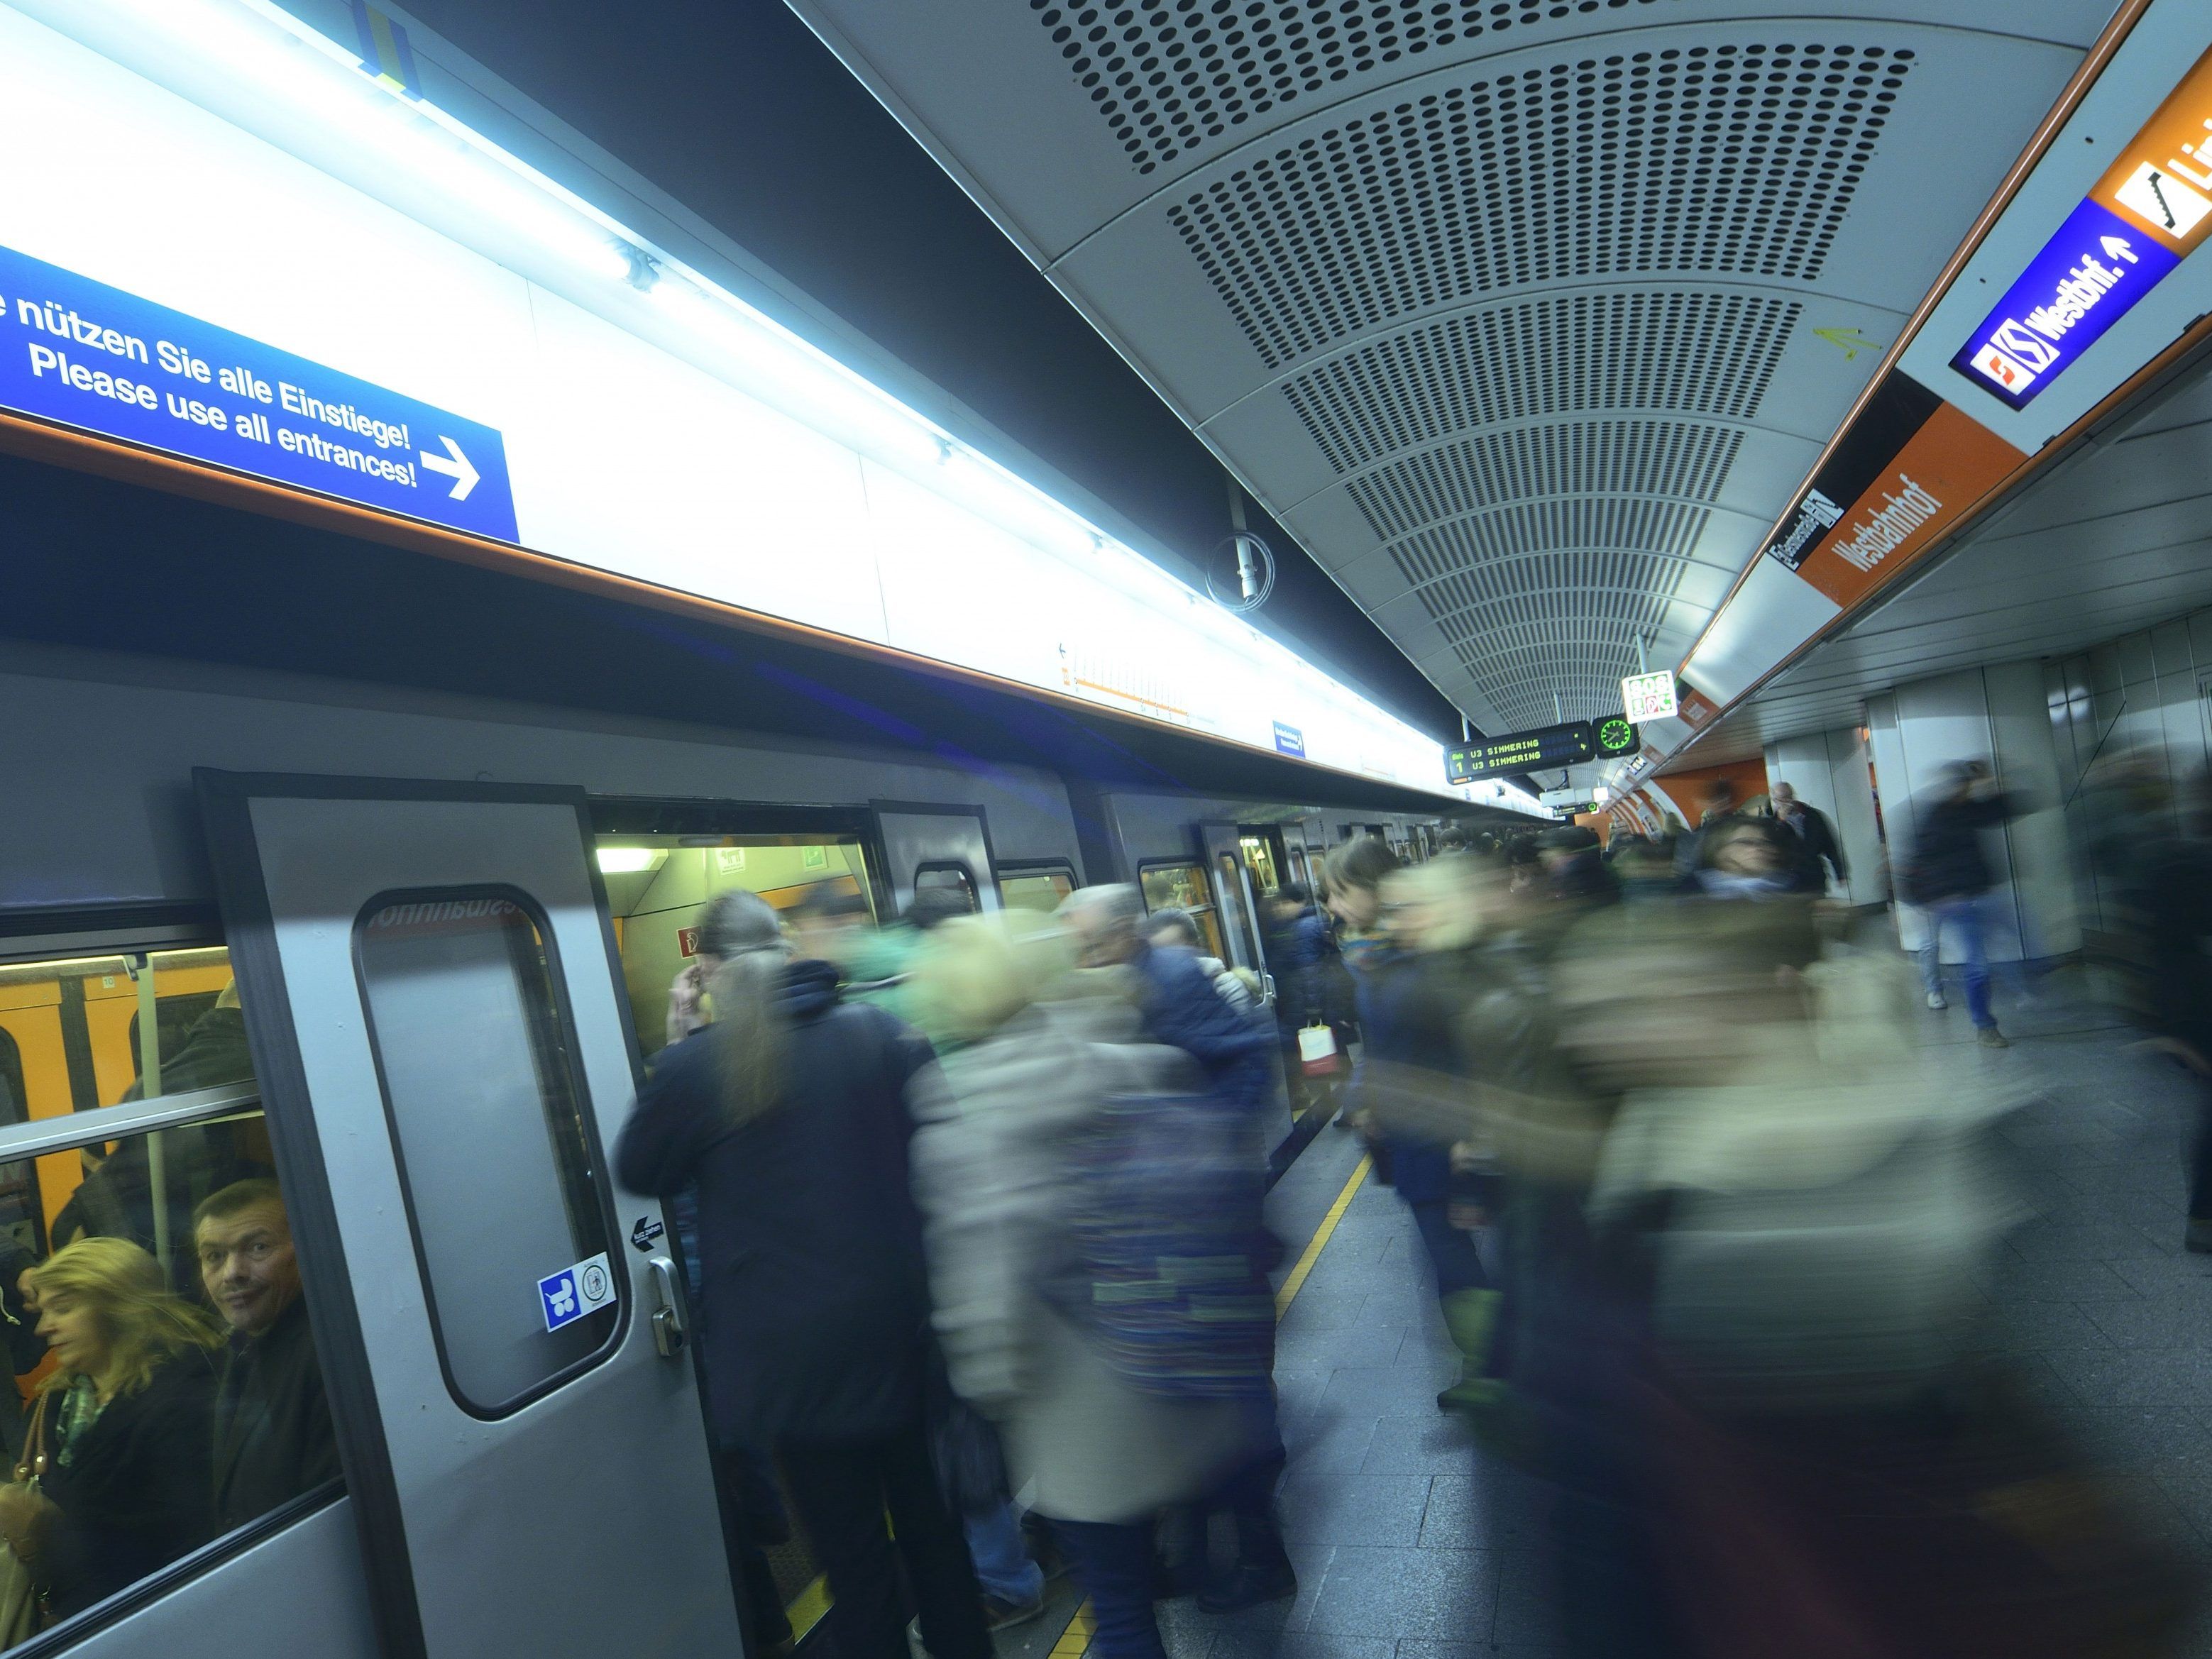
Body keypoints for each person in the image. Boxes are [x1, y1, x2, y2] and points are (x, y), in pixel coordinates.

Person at [614, 890, 990, 1659]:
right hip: (905, 1340)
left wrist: (677, 1044)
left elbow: (640, 1166)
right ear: (787, 951)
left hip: (797, 1371)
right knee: (936, 1539)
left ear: (709, 970)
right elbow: (942, 1155)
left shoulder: (696, 1069)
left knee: (855, 1566)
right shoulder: (883, 1033)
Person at [909, 915, 1260, 1659]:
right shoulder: (1121, 1055)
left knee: (1122, 1611)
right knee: (1149, 1580)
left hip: (1080, 1413)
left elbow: (988, 1302)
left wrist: (988, 1398)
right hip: (1179, 1371)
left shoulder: (963, 1117)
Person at [0, 1238, 221, 1623]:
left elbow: (187, 1545)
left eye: (63, 1308)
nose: (44, 1327)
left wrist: (48, 1530)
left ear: (120, 1306)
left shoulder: (183, 1401)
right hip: (71, 1616)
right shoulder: (54, 1403)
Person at [193, 1180, 338, 1534]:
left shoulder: (327, 1356)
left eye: (258, 1247)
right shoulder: (242, 1345)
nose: (232, 1274)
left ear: (304, 1246)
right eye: (214, 1256)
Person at [1900, 761, 2019, 1047]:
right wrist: (1924, 899)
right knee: (1976, 963)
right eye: (1962, 785)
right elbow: (1915, 862)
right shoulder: (1933, 819)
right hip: (1953, 901)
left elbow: (2004, 810)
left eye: (1968, 785)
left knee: (1996, 950)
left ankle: (2018, 996)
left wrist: (1992, 781)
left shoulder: (1968, 811)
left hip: (1979, 894)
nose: (1966, 790)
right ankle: (1984, 1026)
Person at [1142, 908, 1254, 1013]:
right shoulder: (1153, 993)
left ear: (1193, 946)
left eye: (1174, 950)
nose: (1168, 958)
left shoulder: (1226, 986)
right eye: (1159, 951)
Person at [1768, 782, 1848, 891]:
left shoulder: (1813, 816)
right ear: (1775, 801)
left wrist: (1840, 873)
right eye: (1781, 799)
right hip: (1788, 881)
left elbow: (1830, 845)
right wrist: (1782, 822)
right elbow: (1773, 849)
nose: (1786, 802)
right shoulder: (1772, 824)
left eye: (1789, 797)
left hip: (1814, 876)